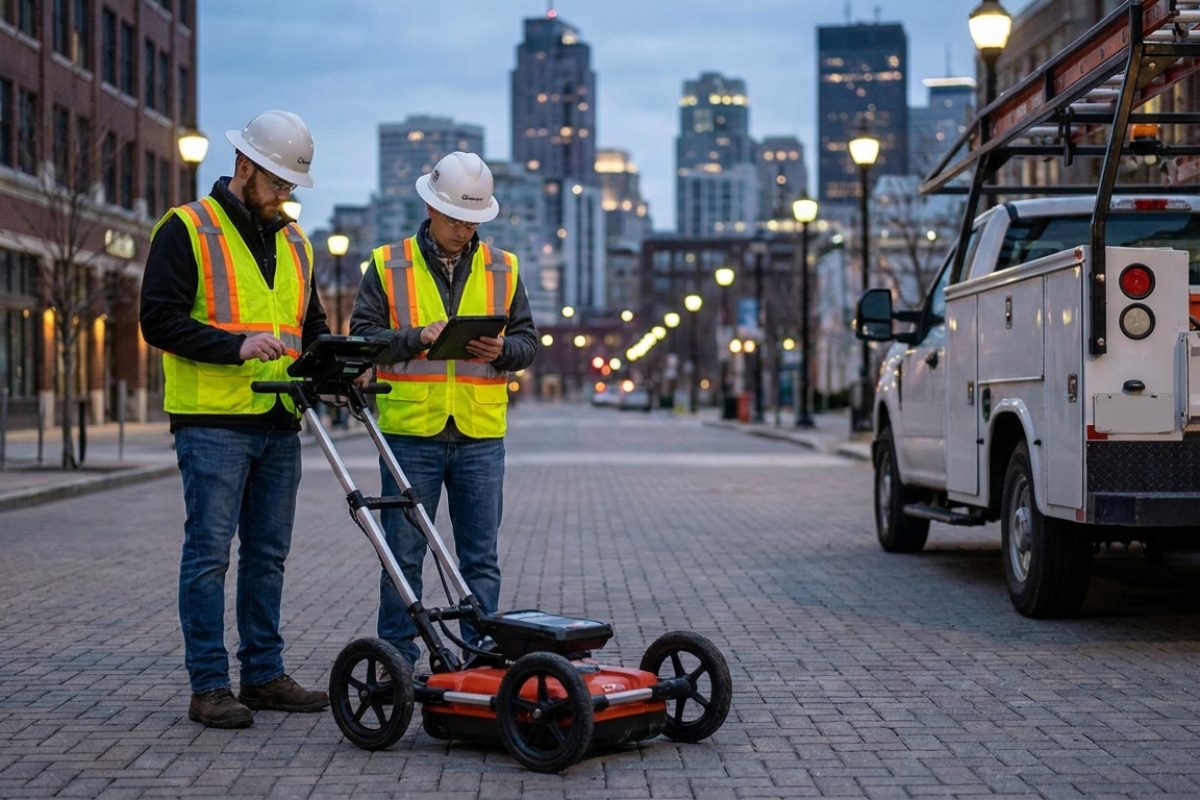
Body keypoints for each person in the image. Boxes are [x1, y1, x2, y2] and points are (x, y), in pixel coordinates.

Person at [140, 110, 331, 728]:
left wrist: (337, 367)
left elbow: (311, 328)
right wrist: (235, 346)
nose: (284, 195)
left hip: (279, 418)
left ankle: (264, 675)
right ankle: (209, 687)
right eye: (277, 182)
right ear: (245, 166)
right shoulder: (187, 228)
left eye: (291, 185)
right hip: (212, 420)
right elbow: (157, 321)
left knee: (268, 556)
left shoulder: (296, 243)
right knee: (209, 556)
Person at [350, 151, 538, 668]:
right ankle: (397, 662)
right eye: (455, 218)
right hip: (411, 432)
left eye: (472, 221)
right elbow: (362, 339)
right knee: (403, 556)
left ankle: (479, 660)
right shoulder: (387, 264)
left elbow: (527, 342)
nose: (463, 230)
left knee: (481, 558)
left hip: (480, 433)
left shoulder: (504, 268)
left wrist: (502, 350)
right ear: (431, 207)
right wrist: (416, 338)